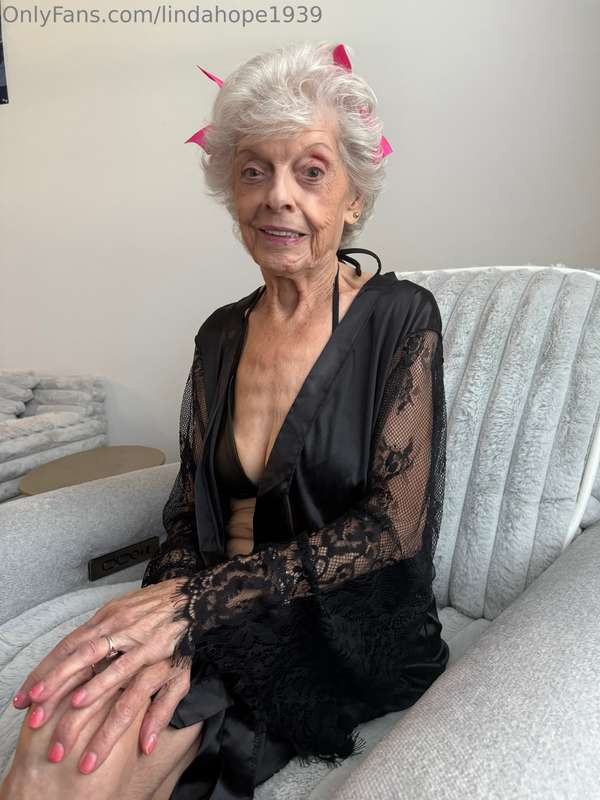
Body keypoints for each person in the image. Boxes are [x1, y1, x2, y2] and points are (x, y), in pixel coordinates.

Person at [1, 40, 450, 800]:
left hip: (332, 621)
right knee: (58, 732)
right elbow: (187, 509)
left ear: (354, 198)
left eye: (311, 171)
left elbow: (392, 529)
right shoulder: (220, 334)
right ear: (232, 194)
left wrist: (194, 607)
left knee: (80, 763)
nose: (278, 196)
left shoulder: (400, 317)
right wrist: (170, 615)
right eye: (254, 171)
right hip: (214, 602)